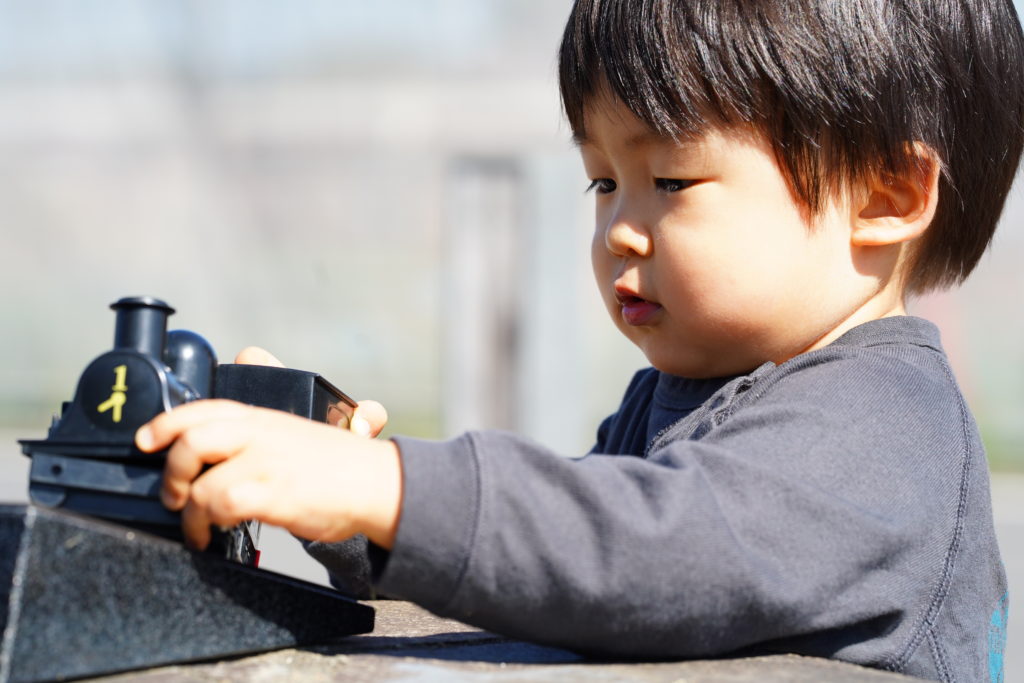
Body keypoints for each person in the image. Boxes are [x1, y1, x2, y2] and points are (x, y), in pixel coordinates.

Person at [133, 0, 1024, 679]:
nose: (620, 232)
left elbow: (661, 554)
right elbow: (563, 582)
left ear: (886, 196)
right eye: (602, 183)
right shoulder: (684, 397)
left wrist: (390, 488)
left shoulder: (878, 427)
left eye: (670, 178)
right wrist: (346, 506)